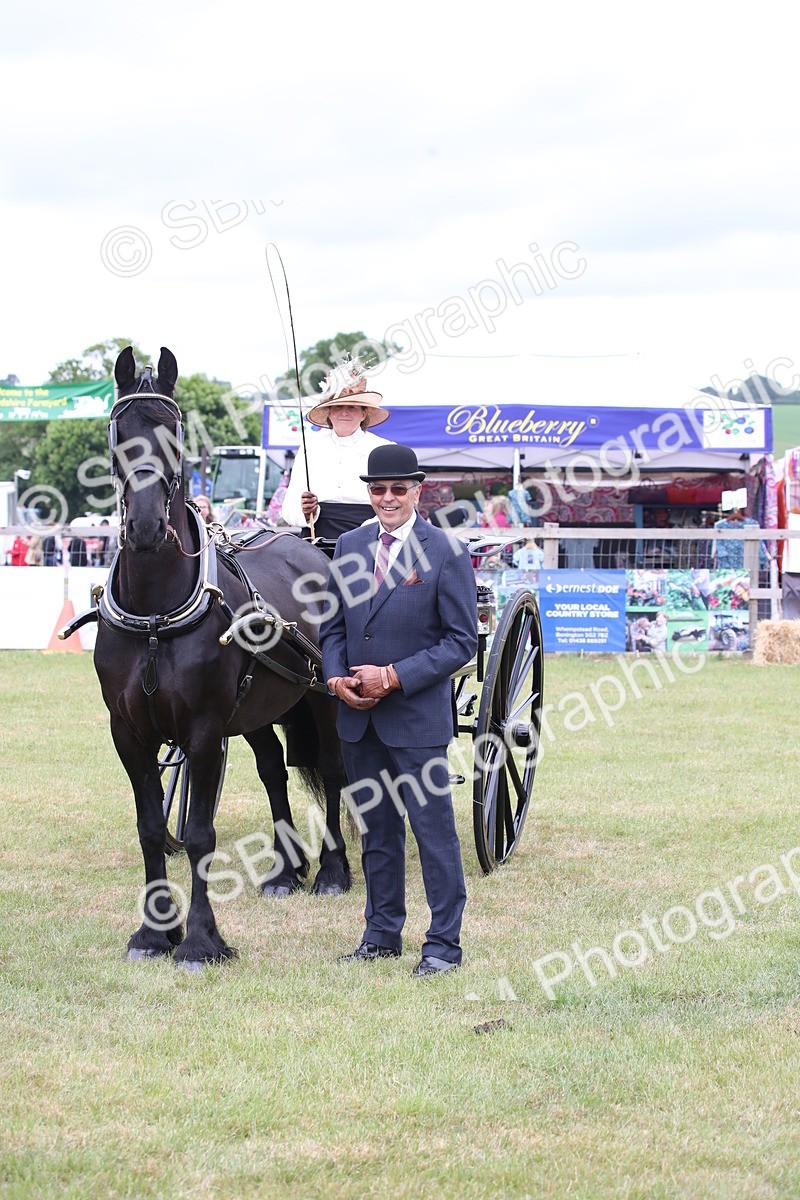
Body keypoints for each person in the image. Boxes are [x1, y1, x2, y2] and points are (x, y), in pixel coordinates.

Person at [321, 445, 478, 978]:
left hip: (416, 719)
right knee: (376, 832)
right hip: (358, 718)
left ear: (417, 490)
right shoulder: (348, 545)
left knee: (433, 832)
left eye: (397, 489)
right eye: (377, 489)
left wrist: (393, 676)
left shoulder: (447, 552)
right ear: (369, 492)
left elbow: (461, 643)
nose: (387, 498)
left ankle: (442, 944)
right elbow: (334, 627)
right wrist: (336, 676)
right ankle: (381, 934)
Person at [280, 360, 394, 540]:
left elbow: (395, 502)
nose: (344, 412)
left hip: (370, 536)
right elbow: (289, 506)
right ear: (329, 413)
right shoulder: (309, 448)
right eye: (338, 407)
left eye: (352, 407)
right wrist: (306, 510)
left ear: (363, 413)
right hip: (315, 538)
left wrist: (365, 533)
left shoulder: (384, 449)